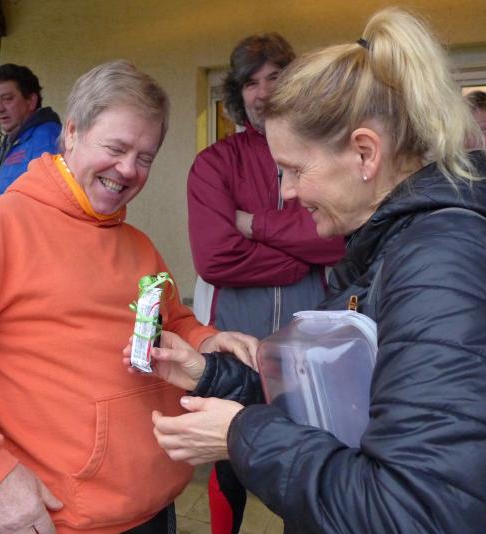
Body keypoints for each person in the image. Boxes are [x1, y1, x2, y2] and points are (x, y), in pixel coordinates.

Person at [138, 7, 486, 533]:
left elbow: (410, 514)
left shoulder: (448, 263)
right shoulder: (394, 244)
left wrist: (242, 434)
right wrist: (212, 376)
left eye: (295, 169)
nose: (287, 192)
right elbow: (333, 400)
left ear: (365, 153)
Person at [0, 60, 257, 534]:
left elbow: (171, 320)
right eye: (116, 148)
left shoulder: (137, 244)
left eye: (144, 158)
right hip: (65, 518)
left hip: (156, 504)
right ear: (72, 133)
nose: (128, 170)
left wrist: (205, 340)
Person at [186, 33, 345, 534]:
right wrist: (297, 259)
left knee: (305, 458)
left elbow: (336, 241)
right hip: (235, 341)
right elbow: (215, 258)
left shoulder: (321, 157)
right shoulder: (215, 163)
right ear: (238, 95)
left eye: (275, 77)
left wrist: (253, 225)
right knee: (227, 454)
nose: (264, 92)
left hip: (309, 346)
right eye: (251, 83)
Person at [0, 63, 62, 201]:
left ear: (31, 101)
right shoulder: (10, 143)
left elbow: (50, 200)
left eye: (8, 99)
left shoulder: (46, 137)